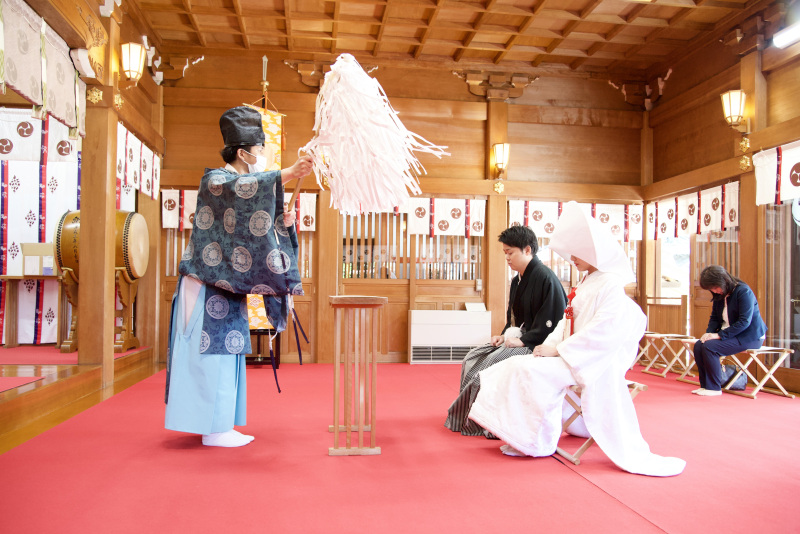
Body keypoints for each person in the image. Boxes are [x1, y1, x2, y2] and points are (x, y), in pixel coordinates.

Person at [468, 201, 686, 477]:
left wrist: (559, 349)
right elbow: (565, 319)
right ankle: (523, 437)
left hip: (587, 360)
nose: (571, 256)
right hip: (568, 354)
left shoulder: (609, 285)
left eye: (577, 251)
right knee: (508, 366)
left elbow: (603, 331)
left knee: (522, 369)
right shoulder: (586, 282)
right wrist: (549, 346)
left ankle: (536, 439)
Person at [164, 106, 313, 447]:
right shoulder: (215, 180)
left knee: (228, 352)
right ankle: (212, 429)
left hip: (227, 284)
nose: (262, 156)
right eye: (260, 150)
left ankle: (221, 424)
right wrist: (287, 173)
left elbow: (251, 230)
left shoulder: (237, 181)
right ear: (243, 151)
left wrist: (282, 225)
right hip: (204, 281)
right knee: (210, 355)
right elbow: (244, 190)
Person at [445, 225, 567, 437]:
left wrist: (525, 340)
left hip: (538, 345)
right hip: (520, 338)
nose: (507, 258)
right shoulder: (516, 281)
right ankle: (467, 417)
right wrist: (503, 335)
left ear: (527, 250)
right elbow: (514, 318)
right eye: (505, 253)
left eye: (510, 252)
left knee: (489, 366)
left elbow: (553, 321)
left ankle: (487, 423)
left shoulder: (546, 277)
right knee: (473, 358)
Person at [692, 265, 767, 396]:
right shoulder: (720, 295)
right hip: (732, 334)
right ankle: (705, 386)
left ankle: (714, 388)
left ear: (724, 281)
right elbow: (714, 317)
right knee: (699, 345)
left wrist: (719, 335)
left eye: (715, 287)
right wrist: (709, 333)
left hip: (750, 336)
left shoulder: (743, 292)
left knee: (710, 347)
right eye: (712, 289)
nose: (714, 291)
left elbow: (745, 322)